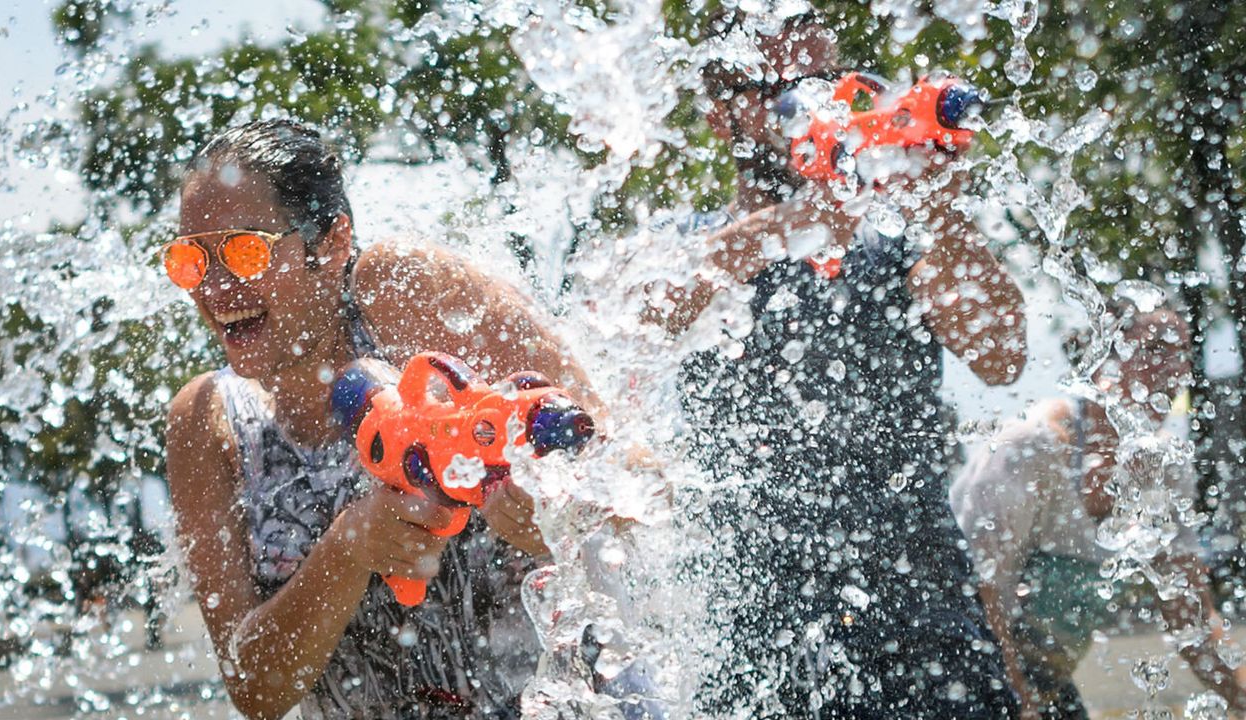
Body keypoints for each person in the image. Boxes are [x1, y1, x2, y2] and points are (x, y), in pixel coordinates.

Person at [648, 10, 1028, 718]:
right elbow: (637, 323)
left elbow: (1004, 356)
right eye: (780, 87)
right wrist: (794, 224)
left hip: (918, 611)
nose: (814, 106)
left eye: (826, 82)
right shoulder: (684, 243)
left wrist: (941, 210)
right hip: (749, 622)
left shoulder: (900, 242)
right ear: (718, 117)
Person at [163, 120, 606, 719]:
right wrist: (349, 548)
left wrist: (556, 516)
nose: (214, 288)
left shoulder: (401, 293)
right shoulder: (206, 421)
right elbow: (255, 690)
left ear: (332, 244)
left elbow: (624, 463)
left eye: (245, 251)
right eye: (191, 260)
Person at [952, 302, 1246, 718]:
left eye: (1182, 354)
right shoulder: (1031, 447)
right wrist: (1023, 706)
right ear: (1100, 363)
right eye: (1155, 350)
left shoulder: (1164, 470)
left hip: (1046, 685)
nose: (1175, 371)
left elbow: (1191, 619)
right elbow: (982, 598)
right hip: (961, 668)